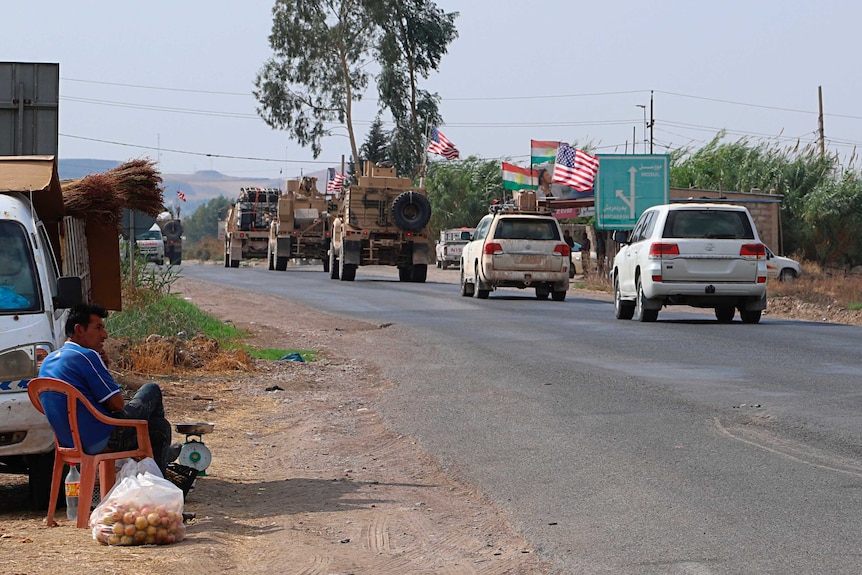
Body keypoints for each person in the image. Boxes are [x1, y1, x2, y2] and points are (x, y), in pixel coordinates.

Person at [38, 303, 174, 475]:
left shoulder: (48, 361)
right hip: (102, 440)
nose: (105, 335)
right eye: (98, 328)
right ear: (79, 330)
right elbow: (117, 404)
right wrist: (102, 368)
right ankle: (157, 478)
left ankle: (156, 463)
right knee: (152, 393)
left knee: (157, 426)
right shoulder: (86, 355)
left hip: (67, 442)